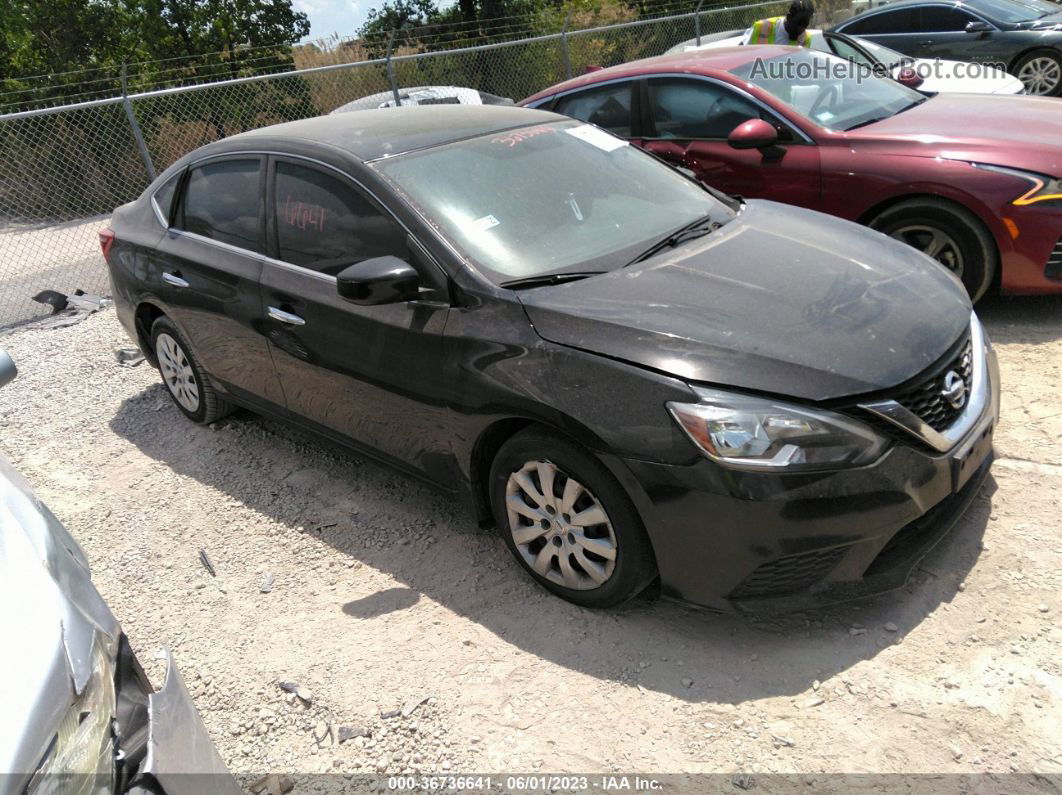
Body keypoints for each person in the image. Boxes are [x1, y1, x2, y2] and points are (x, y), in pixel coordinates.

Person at [740, 0, 816, 46]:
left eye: (805, 24)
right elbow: (740, 52)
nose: (801, 28)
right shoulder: (762, 27)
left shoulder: (805, 39)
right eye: (798, 23)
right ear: (789, 17)